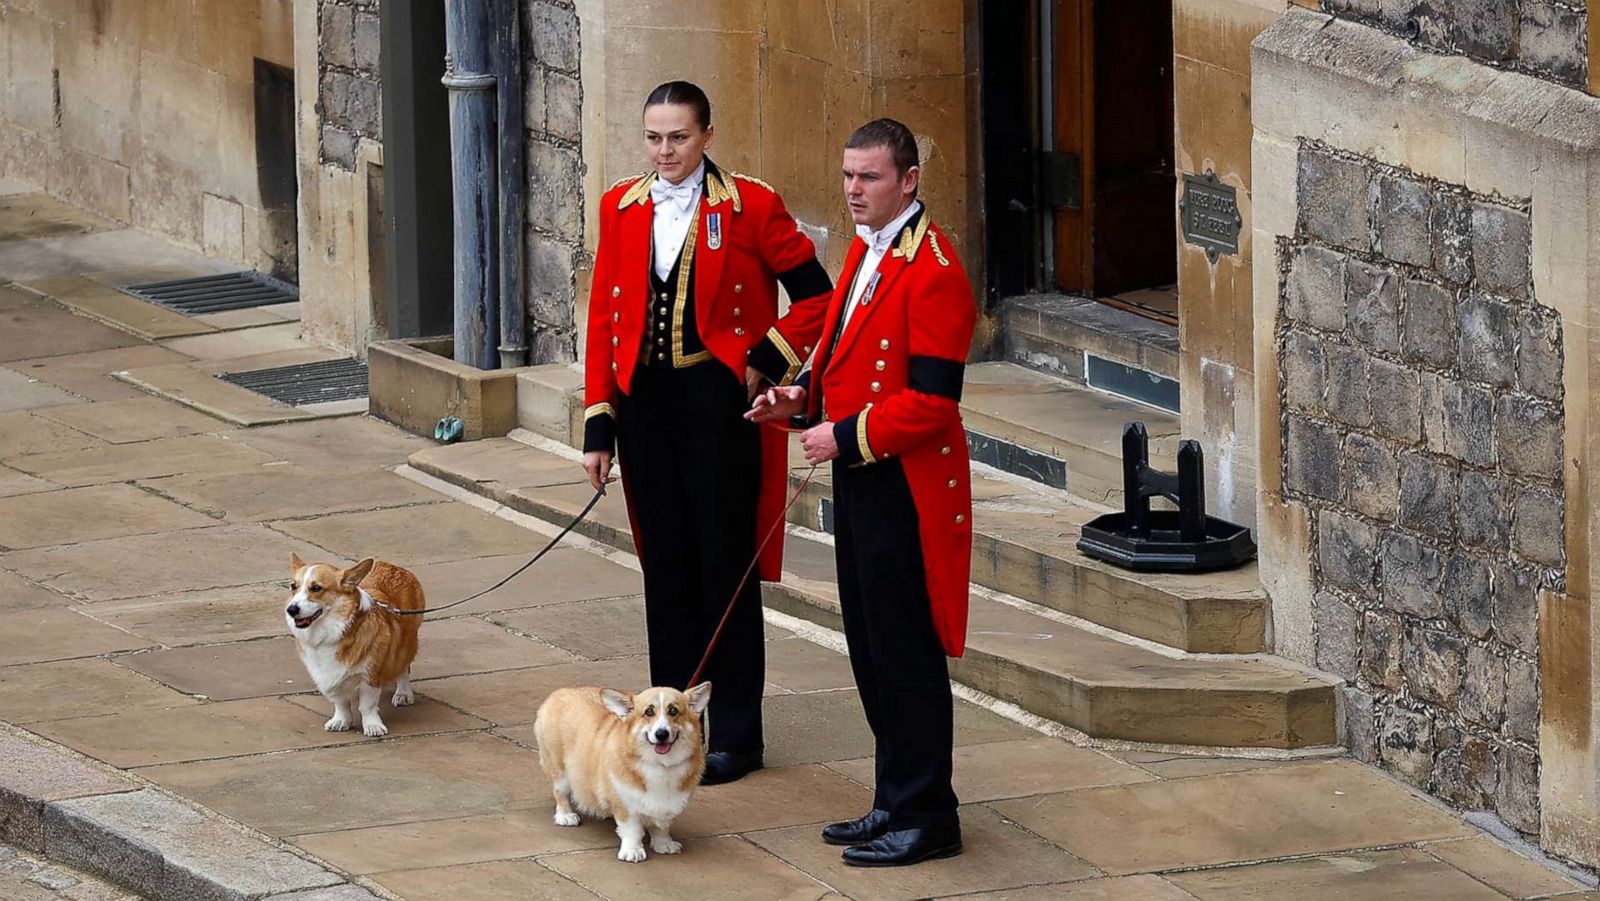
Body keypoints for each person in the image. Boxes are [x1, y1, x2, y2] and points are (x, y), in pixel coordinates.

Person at [581, 81, 832, 785]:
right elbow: (604, 317)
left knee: (725, 569)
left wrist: (767, 360)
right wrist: (599, 423)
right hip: (648, 409)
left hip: (721, 407)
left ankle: (739, 734)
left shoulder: (750, 204)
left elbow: (818, 294)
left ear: (707, 136)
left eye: (679, 137)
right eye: (654, 137)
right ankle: (671, 727)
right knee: (665, 568)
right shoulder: (619, 206)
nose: (665, 152)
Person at [748, 118, 976, 866]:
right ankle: (892, 797)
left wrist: (843, 435)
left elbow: (934, 401)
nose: (853, 191)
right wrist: (797, 401)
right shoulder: (864, 251)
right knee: (870, 645)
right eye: (847, 176)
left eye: (868, 177)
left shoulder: (935, 267)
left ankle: (928, 814)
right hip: (864, 478)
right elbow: (840, 360)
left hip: (906, 487)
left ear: (908, 180)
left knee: (906, 649)